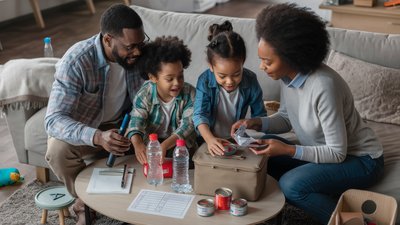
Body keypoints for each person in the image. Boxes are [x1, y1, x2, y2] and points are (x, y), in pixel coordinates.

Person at [231, 4, 384, 224]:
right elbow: (286, 118)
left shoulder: (324, 86)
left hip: (361, 160)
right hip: (323, 153)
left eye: (268, 61)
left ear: (292, 57)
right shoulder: (287, 77)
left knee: (292, 185)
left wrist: (288, 149)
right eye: (261, 59)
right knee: (262, 148)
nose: (262, 67)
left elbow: (337, 153)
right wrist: (257, 123)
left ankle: (360, 223)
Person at [44, 4, 148, 224]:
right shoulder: (77, 61)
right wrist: (98, 137)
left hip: (127, 125)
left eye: (141, 43)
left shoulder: (140, 54)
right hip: (88, 129)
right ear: (108, 39)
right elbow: (53, 120)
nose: (138, 52)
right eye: (130, 47)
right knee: (57, 151)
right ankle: (84, 202)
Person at [193, 21, 267, 156]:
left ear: (243, 62)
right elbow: (199, 115)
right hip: (206, 138)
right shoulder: (204, 81)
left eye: (236, 74)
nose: (229, 81)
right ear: (211, 66)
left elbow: (260, 116)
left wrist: (249, 124)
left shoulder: (250, 80)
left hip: (236, 140)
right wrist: (210, 140)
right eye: (222, 76)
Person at [126, 36, 197, 166]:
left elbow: (188, 125)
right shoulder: (145, 94)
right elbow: (136, 121)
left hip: (180, 145)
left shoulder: (190, 93)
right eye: (169, 79)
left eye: (180, 76)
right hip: (151, 144)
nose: (177, 83)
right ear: (153, 77)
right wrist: (138, 144)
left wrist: (164, 145)